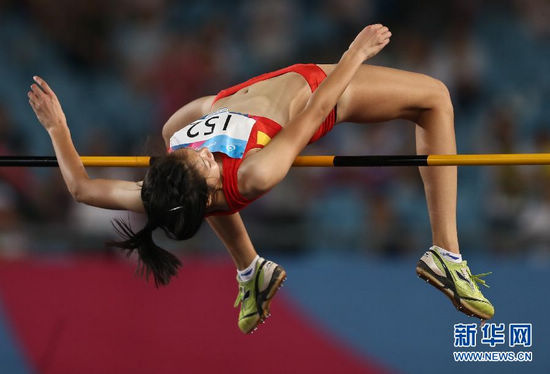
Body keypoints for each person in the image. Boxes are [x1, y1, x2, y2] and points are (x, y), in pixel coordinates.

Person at [28, 24, 493, 334]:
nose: (201, 156)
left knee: (175, 134)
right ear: (210, 185)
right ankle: (446, 253)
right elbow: (312, 117)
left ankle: (251, 270)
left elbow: (82, 188)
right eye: (203, 165)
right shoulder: (255, 174)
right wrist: (355, 54)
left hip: (228, 100)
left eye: (191, 159)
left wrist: (57, 129)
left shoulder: (162, 189)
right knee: (436, 98)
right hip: (310, 88)